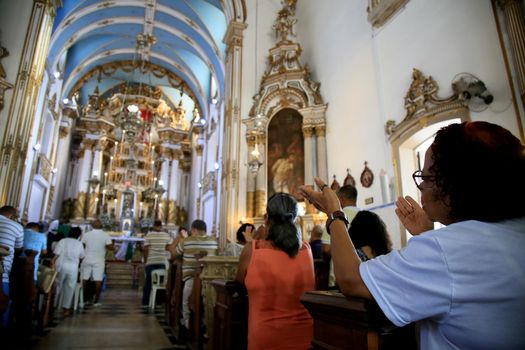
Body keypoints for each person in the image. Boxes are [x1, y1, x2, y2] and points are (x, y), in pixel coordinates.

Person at [299, 121, 525, 349]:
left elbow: (351, 280)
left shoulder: (446, 250)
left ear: (448, 184)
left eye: (425, 178)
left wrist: (334, 213)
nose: (421, 188)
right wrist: (425, 236)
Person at [236, 193, 315, 350]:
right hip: (306, 336)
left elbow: (240, 282)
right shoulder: (306, 249)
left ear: (266, 219)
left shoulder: (253, 249)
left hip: (266, 337)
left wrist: (252, 242)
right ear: (295, 218)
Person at [176, 220, 217, 330]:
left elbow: (176, 252)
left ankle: (187, 323)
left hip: (191, 277)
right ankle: (205, 323)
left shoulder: (187, 241)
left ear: (193, 230)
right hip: (209, 279)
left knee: (186, 300)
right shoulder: (214, 241)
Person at [322, 184, 359, 286]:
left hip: (341, 277)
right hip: (365, 276)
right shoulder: (368, 215)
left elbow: (326, 248)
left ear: (341, 199)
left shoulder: (336, 217)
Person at [0, 206, 23, 327]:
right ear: (11, 216)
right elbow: (19, 248)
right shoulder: (16, 226)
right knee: (4, 302)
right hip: (2, 273)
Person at [53, 227, 84, 316]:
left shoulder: (63, 241)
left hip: (61, 265)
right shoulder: (79, 244)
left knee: (57, 285)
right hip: (73, 267)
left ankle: (53, 304)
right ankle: (66, 309)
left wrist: (53, 262)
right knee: (70, 287)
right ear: (78, 235)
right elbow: (82, 256)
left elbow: (56, 254)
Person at [81, 220, 112, 306]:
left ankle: (82, 299)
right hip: (99, 259)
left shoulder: (87, 234)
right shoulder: (105, 235)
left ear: (93, 226)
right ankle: (96, 301)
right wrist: (111, 247)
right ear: (102, 225)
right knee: (98, 280)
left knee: (84, 278)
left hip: (87, 258)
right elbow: (110, 247)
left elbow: (82, 245)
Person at [142, 220, 172, 307]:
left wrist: (145, 261)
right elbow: (169, 247)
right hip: (162, 261)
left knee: (148, 281)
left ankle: (146, 302)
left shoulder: (149, 235)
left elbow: (145, 249)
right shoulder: (166, 235)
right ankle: (159, 302)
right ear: (161, 226)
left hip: (151, 261)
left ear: (154, 226)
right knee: (161, 282)